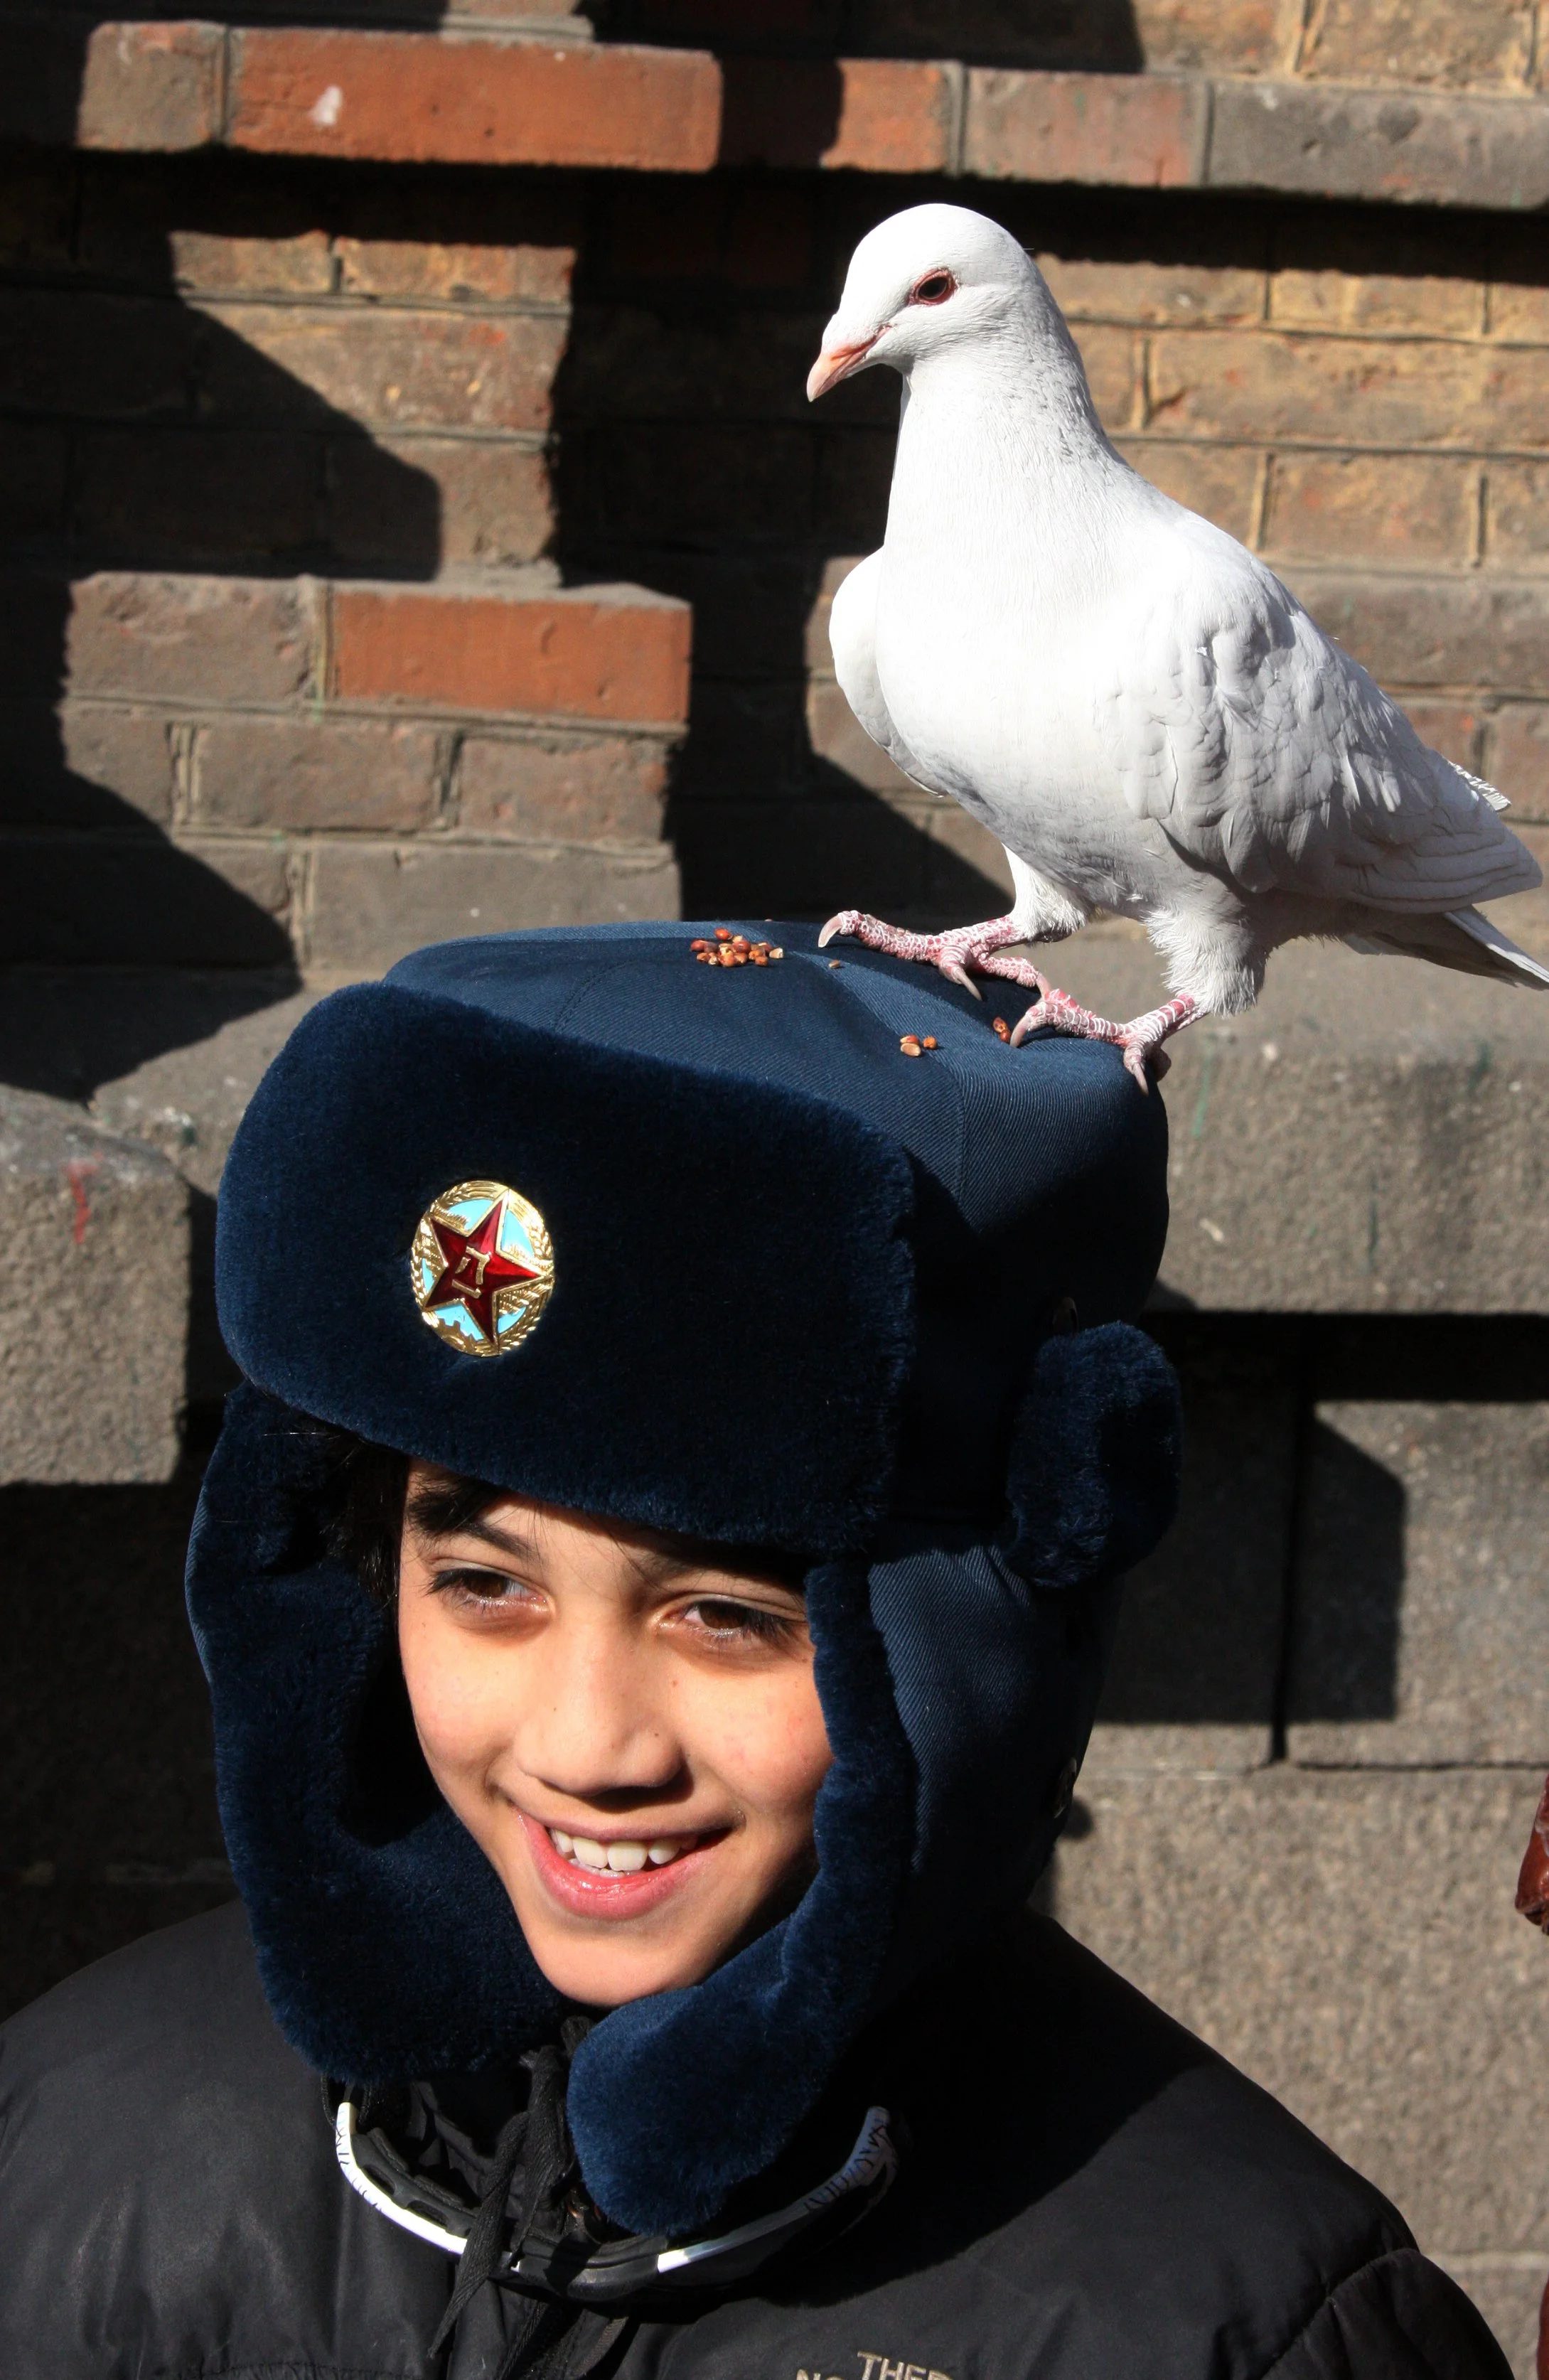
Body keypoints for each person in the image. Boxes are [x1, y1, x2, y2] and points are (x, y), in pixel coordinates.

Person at [0, 921, 1508, 2380]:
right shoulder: (73, 2141)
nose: (589, 1749)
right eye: (482, 1585)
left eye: (727, 1617)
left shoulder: (1241, 2328)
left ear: (963, 1646)